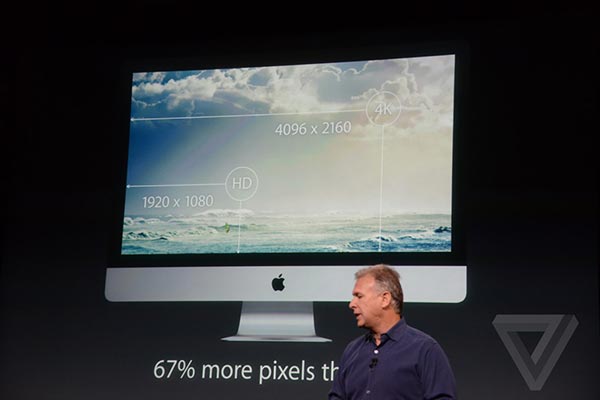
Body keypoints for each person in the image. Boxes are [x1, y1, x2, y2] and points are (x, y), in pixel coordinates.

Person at [328, 264, 457, 399]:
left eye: (359, 296)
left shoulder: (424, 349)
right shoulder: (352, 351)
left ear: (385, 299)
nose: (352, 304)